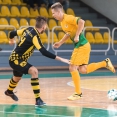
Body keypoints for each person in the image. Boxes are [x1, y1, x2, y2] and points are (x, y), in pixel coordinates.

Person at [51, 2, 115, 101]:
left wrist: (77, 35)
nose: (52, 15)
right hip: (84, 46)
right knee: (83, 70)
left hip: (81, 45)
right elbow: (68, 33)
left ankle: (78, 93)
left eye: (53, 13)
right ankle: (104, 63)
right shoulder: (62, 22)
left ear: (59, 12)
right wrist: (60, 42)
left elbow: (82, 22)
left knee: (72, 67)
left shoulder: (68, 18)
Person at [4, 16, 70, 106]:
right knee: (34, 71)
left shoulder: (28, 29)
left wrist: (11, 40)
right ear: (43, 27)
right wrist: (62, 59)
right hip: (17, 60)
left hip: (15, 58)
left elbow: (12, 33)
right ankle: (38, 100)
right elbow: (43, 52)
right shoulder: (35, 36)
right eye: (46, 26)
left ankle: (9, 91)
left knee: (17, 78)